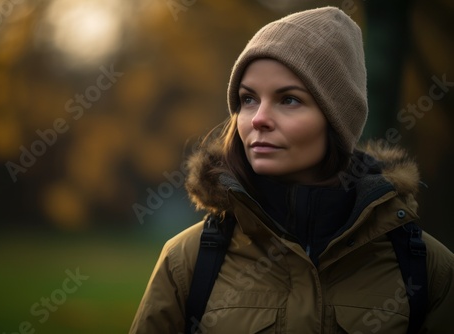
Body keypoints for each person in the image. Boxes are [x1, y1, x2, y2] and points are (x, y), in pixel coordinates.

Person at [129, 6, 454, 333]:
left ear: (337, 121)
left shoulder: (425, 268)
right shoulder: (189, 261)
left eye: (289, 100)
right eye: (248, 99)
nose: (258, 118)